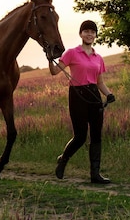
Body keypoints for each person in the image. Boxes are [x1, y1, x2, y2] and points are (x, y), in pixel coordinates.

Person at [48, 20, 116, 184]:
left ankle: (95, 174)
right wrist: (50, 59)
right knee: (79, 136)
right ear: (80, 34)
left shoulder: (98, 58)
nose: (89, 34)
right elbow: (55, 71)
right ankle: (63, 160)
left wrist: (109, 94)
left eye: (92, 32)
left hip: (94, 96)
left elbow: (99, 81)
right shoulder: (72, 53)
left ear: (95, 36)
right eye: (86, 31)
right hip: (77, 95)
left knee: (96, 135)